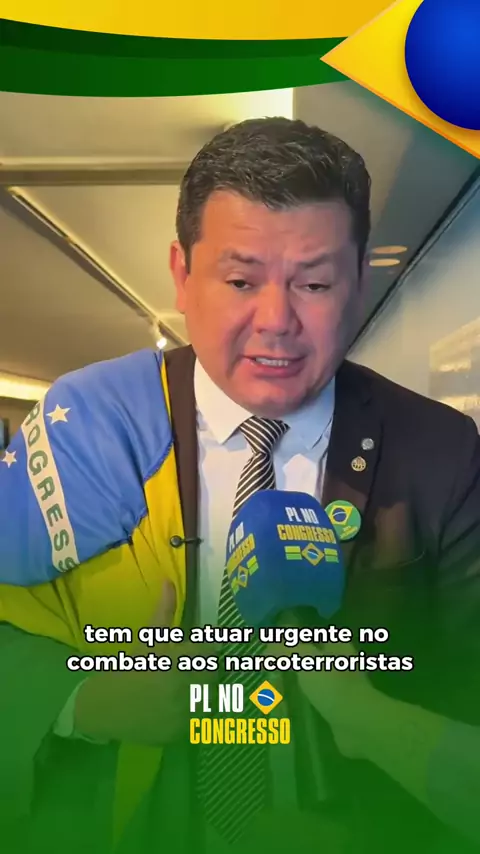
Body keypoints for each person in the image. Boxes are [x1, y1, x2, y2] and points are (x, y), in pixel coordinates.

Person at [0, 117, 479, 854]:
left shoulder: (440, 450)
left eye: (314, 283)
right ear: (182, 274)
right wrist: (83, 699)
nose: (277, 322)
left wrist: (387, 753)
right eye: (240, 281)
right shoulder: (89, 432)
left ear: (359, 280)